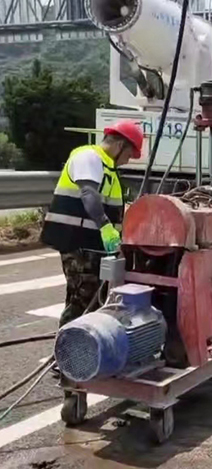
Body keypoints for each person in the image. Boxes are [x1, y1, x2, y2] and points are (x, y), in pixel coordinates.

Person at [41, 120, 143, 327]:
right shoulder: (89, 157)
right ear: (119, 144)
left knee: (95, 300)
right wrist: (105, 226)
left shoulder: (107, 167)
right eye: (129, 154)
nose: (127, 160)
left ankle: (84, 349)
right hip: (76, 242)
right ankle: (67, 351)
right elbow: (88, 193)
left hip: (92, 246)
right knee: (82, 300)